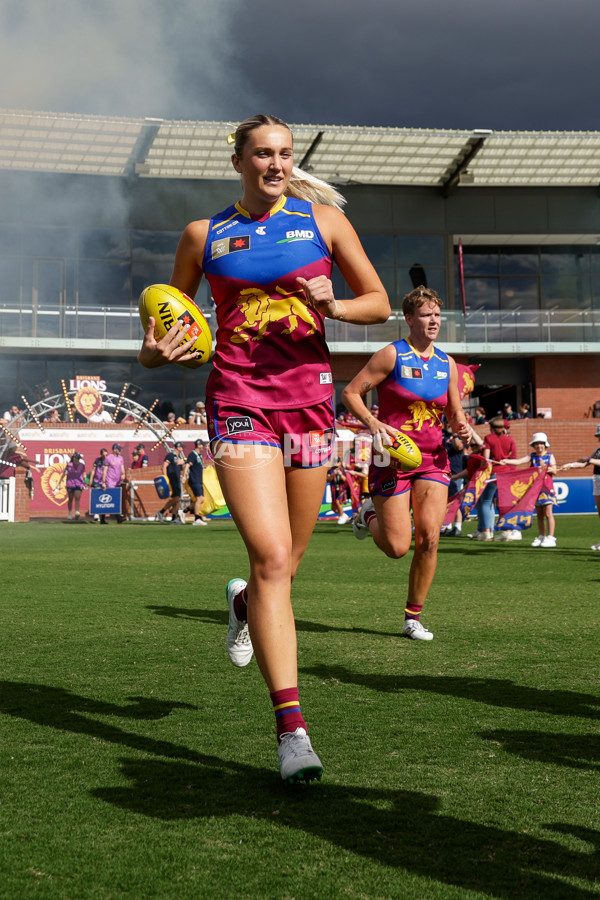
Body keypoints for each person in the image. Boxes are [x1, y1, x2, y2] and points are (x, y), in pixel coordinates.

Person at [138, 113, 390, 783]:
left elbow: (379, 302)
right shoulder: (205, 235)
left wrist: (334, 306)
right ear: (239, 162)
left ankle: (244, 605)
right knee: (273, 556)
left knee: (286, 566)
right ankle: (292, 731)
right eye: (262, 154)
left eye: (284, 154)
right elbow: (169, 326)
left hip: (309, 409)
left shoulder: (323, 223)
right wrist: (160, 353)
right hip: (239, 404)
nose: (275, 164)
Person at [342, 286, 471, 642]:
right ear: (410, 319)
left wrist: (461, 424)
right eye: (427, 315)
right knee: (398, 547)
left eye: (437, 315)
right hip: (391, 456)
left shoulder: (448, 364)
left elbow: (454, 410)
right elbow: (351, 392)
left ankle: (413, 618)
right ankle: (368, 514)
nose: (434, 321)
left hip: (433, 458)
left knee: (429, 538)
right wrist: (373, 423)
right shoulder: (391, 355)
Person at [499, 431, 557, 547]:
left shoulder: (549, 456)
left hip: (546, 488)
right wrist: (506, 461)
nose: (539, 446)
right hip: (535, 489)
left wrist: (544, 467)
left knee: (548, 513)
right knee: (539, 514)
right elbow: (520, 461)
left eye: (541, 443)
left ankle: (551, 537)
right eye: (537, 444)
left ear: (545, 444)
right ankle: (542, 536)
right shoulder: (532, 456)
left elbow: (554, 470)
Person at [471, 417, 518, 541]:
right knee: (504, 502)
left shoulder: (489, 438)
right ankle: (507, 531)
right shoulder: (510, 440)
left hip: (493, 473)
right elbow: (513, 458)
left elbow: (486, 459)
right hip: (507, 474)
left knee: (487, 501)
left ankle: (486, 532)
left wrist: (481, 473)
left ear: (491, 427)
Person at [561, 423, 600, 549]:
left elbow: (590, 461)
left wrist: (588, 460)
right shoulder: (597, 450)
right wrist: (570, 465)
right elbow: (584, 464)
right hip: (597, 480)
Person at [442, 425, 465, 535]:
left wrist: (454, 435)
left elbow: (458, 447)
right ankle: (447, 525)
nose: (448, 425)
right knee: (444, 501)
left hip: (455, 473)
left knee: (455, 501)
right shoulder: (442, 436)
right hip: (442, 473)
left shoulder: (458, 437)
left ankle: (458, 527)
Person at [156, 442, 187, 524]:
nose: (182, 449)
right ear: (178, 447)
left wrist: (183, 463)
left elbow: (181, 469)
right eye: (182, 447)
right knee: (176, 498)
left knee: (176, 500)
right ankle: (161, 512)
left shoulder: (178, 457)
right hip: (172, 479)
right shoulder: (170, 455)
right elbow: (164, 466)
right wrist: (165, 478)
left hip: (176, 479)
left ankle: (174, 519)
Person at [99, 443, 126, 524]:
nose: (120, 451)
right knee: (110, 499)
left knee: (115, 499)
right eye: (119, 449)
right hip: (110, 481)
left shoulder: (121, 458)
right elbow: (105, 470)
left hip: (117, 482)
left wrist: (123, 474)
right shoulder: (108, 458)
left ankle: (114, 518)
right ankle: (116, 517)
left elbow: (122, 468)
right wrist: (103, 482)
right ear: (114, 449)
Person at [56, 451, 87, 519]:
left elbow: (84, 474)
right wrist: (59, 483)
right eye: (76, 458)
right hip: (70, 484)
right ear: (73, 458)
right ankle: (70, 513)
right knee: (70, 499)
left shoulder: (82, 465)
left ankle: (77, 512)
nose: (77, 459)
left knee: (77, 498)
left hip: (79, 483)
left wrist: (85, 481)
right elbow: (64, 474)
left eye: (78, 458)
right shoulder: (69, 465)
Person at [186, 438, 208, 525]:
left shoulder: (199, 455)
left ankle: (186, 510)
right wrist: (184, 476)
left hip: (199, 479)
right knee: (199, 498)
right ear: (199, 445)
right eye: (202, 445)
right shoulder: (193, 454)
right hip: (194, 479)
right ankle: (197, 518)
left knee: (201, 499)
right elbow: (188, 465)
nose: (203, 446)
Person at [326, 457, 350, 524]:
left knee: (338, 501)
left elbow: (346, 480)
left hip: (342, 488)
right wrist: (333, 474)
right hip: (333, 488)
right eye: (335, 462)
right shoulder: (330, 471)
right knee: (333, 508)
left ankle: (342, 516)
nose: (336, 464)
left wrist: (341, 474)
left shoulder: (343, 471)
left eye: (338, 462)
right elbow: (328, 480)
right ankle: (344, 515)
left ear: (340, 463)